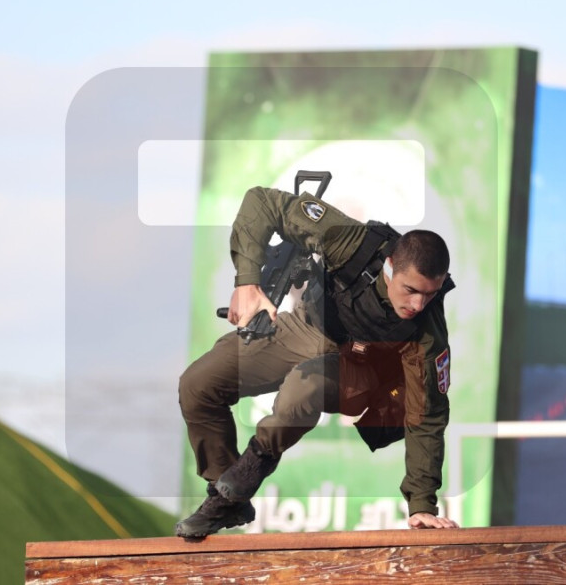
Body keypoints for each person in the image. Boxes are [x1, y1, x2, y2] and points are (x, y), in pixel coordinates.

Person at [175, 185, 459, 537]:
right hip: (306, 327)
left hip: (360, 368)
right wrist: (247, 282)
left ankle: (249, 470)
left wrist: (422, 505)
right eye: (411, 290)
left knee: (301, 389)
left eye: (430, 294)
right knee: (198, 384)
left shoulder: (426, 331)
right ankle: (227, 499)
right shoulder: (350, 242)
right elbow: (262, 202)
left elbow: (426, 416)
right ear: (389, 267)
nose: (418, 304)